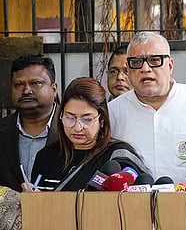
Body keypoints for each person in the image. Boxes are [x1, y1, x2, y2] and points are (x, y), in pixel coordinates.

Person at [108, 31, 186, 183]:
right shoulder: (112, 112)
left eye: (155, 60)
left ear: (170, 66)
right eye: (136, 62)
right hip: (129, 206)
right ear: (128, 70)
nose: (145, 69)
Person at [31, 77, 148, 191]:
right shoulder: (46, 156)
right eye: (70, 118)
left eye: (87, 120)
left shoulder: (118, 155)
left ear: (101, 120)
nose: (77, 128)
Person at [0, 54, 59, 192]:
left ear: (54, 89)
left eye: (36, 83)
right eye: (19, 85)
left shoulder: (73, 128)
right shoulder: (3, 131)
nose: (26, 91)